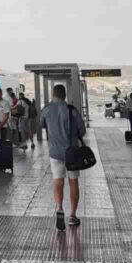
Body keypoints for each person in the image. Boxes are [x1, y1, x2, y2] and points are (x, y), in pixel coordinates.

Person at [40, 84, 86, 231]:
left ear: (53, 94)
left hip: (55, 153)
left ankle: (59, 208)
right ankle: (72, 215)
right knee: (73, 182)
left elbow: (41, 125)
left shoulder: (46, 109)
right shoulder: (72, 110)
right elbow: (82, 130)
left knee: (58, 182)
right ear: (65, 95)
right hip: (71, 152)